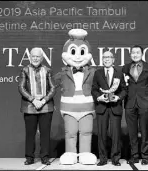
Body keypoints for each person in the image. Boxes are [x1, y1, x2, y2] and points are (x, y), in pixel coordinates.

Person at [54, 29, 97, 165]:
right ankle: (71, 154)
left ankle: (85, 154)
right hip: (69, 108)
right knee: (70, 133)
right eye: (73, 52)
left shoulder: (93, 72)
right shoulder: (62, 73)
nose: (78, 56)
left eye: (82, 52)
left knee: (86, 132)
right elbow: (50, 85)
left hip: (87, 108)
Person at [18, 47, 56, 165]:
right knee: (30, 134)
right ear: (30, 57)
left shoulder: (48, 70)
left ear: (42, 57)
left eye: (38, 56)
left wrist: (43, 100)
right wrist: (33, 100)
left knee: (45, 134)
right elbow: (21, 87)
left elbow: (53, 88)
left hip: (46, 107)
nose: (35, 58)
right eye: (33, 56)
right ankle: (29, 157)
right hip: (30, 107)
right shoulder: (24, 70)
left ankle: (44, 157)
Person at [91, 51, 127, 166]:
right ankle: (103, 158)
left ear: (113, 60)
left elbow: (124, 90)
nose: (107, 59)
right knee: (101, 134)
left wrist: (118, 97)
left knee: (116, 134)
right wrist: (99, 97)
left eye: (109, 57)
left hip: (115, 107)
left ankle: (116, 158)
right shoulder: (98, 73)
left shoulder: (119, 73)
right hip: (102, 107)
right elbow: (94, 89)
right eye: (105, 57)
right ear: (102, 59)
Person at [122, 45, 148, 165]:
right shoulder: (125, 67)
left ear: (142, 54)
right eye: (133, 52)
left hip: (143, 102)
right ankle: (134, 155)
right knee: (132, 131)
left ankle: (145, 156)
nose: (135, 54)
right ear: (130, 54)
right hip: (129, 103)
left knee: (144, 130)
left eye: (137, 52)